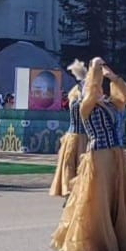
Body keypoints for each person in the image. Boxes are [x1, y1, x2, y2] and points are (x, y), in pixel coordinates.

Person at [52, 58, 126, 251]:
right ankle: (95, 239)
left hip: (115, 154)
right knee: (97, 200)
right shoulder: (85, 105)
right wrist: (95, 68)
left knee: (116, 198)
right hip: (98, 154)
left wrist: (112, 76)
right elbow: (89, 90)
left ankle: (116, 237)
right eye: (96, 86)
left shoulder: (110, 104)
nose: (99, 89)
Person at [50, 60, 88, 197]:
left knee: (76, 165)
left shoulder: (83, 95)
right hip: (75, 135)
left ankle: (77, 191)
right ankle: (69, 190)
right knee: (69, 164)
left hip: (81, 135)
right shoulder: (77, 95)